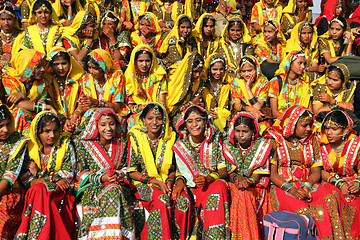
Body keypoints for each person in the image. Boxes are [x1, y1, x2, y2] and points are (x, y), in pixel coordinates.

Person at [264, 105, 346, 239]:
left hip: (308, 183)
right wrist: (292, 190)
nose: (308, 129)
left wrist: (307, 186)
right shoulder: (275, 140)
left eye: (310, 125)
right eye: (304, 125)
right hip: (283, 186)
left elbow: (316, 171)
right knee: (304, 208)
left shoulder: (312, 140)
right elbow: (273, 174)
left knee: (328, 201)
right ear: (292, 124)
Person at [127, 103, 192, 239]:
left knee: (183, 200)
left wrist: (169, 182)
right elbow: (131, 171)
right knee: (163, 200)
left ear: (164, 120)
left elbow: (173, 167)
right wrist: (155, 181)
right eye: (150, 118)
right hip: (142, 184)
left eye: (159, 118)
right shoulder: (135, 137)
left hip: (166, 181)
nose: (154, 122)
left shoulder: (171, 137)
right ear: (143, 119)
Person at [15, 111, 77, 239]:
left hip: (61, 193)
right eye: (47, 131)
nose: (52, 135)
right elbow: (27, 180)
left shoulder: (65, 144)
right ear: (37, 131)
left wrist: (40, 174)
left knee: (39, 190)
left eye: (55, 130)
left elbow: (66, 177)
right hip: (36, 191)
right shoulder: (29, 148)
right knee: (38, 190)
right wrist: (52, 178)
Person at [75, 108, 135, 239]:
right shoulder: (83, 144)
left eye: (112, 124)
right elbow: (80, 173)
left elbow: (128, 167)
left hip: (119, 186)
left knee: (115, 189)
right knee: (112, 190)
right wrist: (102, 178)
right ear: (95, 126)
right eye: (103, 124)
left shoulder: (123, 143)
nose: (108, 128)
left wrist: (118, 175)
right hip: (94, 189)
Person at [172, 105, 231, 239]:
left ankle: (214, 235)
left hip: (210, 185)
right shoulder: (180, 145)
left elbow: (223, 171)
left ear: (205, 121)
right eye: (190, 121)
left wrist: (208, 179)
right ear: (185, 125)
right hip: (190, 187)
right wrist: (180, 181)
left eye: (198, 120)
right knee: (180, 200)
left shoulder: (215, 140)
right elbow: (179, 171)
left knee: (219, 186)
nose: (195, 124)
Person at [223, 112, 272, 240]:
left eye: (245, 131)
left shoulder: (262, 146)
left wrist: (247, 181)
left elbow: (256, 175)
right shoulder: (228, 145)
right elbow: (230, 173)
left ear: (253, 132)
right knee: (240, 195)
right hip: (234, 184)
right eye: (237, 130)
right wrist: (237, 179)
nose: (240, 135)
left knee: (244, 195)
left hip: (254, 185)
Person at [319, 110, 360, 239]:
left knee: (355, 204)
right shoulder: (319, 144)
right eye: (326, 128)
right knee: (331, 199)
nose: (329, 132)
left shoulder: (356, 144)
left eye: (334, 129)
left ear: (345, 130)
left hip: (352, 183)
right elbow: (317, 170)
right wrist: (338, 183)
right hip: (329, 182)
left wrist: (358, 183)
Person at [2, 49, 56, 136]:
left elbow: (39, 103)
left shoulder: (43, 83)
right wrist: (47, 107)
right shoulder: (9, 79)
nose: (42, 69)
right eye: (38, 66)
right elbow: (19, 104)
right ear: (26, 66)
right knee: (20, 112)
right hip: (11, 118)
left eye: (43, 66)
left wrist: (24, 97)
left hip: (35, 115)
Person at [0, 105, 28, 240]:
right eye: (0, 126)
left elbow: (8, 179)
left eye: (7, 124)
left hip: (9, 194)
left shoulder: (18, 143)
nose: (5, 130)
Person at [77, 49, 128, 121]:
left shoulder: (117, 77)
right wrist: (77, 112)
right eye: (89, 68)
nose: (91, 71)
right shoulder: (86, 78)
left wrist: (97, 102)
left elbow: (117, 107)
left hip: (113, 115)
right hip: (92, 113)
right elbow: (83, 103)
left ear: (104, 67)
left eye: (95, 68)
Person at [125, 44, 167, 127]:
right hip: (138, 112)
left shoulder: (159, 75)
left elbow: (162, 101)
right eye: (140, 61)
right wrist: (140, 108)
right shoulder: (129, 77)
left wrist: (151, 110)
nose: (144, 64)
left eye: (147, 61)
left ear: (152, 61)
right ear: (135, 61)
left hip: (156, 111)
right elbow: (130, 106)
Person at [45, 46, 84, 123]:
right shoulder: (47, 80)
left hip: (75, 117)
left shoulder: (77, 78)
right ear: (51, 65)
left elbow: (82, 98)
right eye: (56, 64)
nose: (61, 68)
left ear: (70, 63)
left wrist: (76, 113)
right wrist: (62, 119)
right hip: (54, 118)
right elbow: (48, 102)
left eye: (64, 63)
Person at [268, 51, 311, 119]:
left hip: (301, 122)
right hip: (281, 120)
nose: (303, 66)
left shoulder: (305, 83)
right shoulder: (276, 82)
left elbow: (309, 111)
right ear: (290, 63)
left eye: (304, 64)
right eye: (300, 63)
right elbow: (275, 112)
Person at [166, 51, 204, 125]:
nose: (197, 75)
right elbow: (169, 111)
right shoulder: (174, 81)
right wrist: (190, 104)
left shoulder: (197, 83)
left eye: (200, 72)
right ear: (188, 69)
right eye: (195, 71)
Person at [232, 56, 269, 126]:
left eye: (249, 70)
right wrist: (249, 109)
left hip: (259, 116)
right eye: (243, 71)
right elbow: (237, 105)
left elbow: (258, 107)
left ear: (256, 69)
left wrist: (247, 88)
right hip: (242, 114)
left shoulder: (263, 82)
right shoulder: (236, 83)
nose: (246, 74)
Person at [201, 53, 232, 132]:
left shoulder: (227, 85)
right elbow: (199, 105)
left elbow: (232, 104)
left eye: (221, 69)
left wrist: (228, 114)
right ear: (209, 69)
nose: (218, 73)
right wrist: (208, 113)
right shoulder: (203, 85)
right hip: (206, 120)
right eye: (215, 69)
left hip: (225, 121)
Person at [0, 2, 22, 68]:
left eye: (9, 19)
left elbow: (26, 54)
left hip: (17, 66)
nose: (6, 23)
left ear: (15, 20)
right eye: (2, 19)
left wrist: (13, 57)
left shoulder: (22, 35)